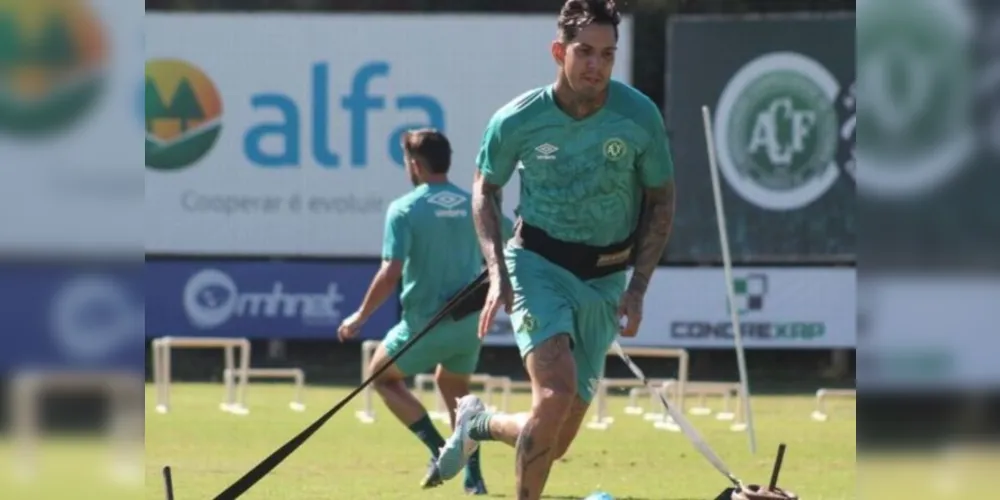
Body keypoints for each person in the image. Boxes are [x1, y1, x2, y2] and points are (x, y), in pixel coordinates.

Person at [433, 1, 676, 499]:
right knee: (555, 394)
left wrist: (639, 288)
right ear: (558, 51)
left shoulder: (638, 116)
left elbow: (663, 200)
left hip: (606, 277)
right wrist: (498, 271)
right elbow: (484, 189)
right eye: (584, 51)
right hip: (538, 265)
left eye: (607, 54)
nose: (596, 65)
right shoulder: (518, 120)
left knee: (555, 438)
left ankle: (478, 424)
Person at [337, 129, 498, 495]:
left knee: (379, 375)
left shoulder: (405, 208)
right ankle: (473, 476)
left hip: (424, 325)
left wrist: (359, 316)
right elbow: (505, 249)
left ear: (414, 164)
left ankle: (438, 449)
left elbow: (391, 272)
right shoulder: (473, 203)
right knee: (452, 387)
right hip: (468, 324)